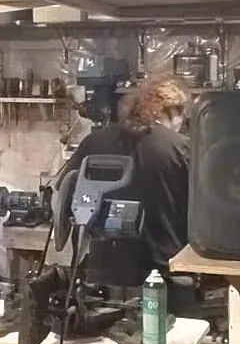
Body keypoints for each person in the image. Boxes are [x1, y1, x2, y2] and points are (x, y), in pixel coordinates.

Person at [60, 75, 199, 314]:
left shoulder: (94, 142)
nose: (181, 125)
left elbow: (64, 196)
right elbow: (205, 210)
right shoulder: (179, 147)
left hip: (102, 277)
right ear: (171, 111)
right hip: (165, 277)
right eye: (181, 117)